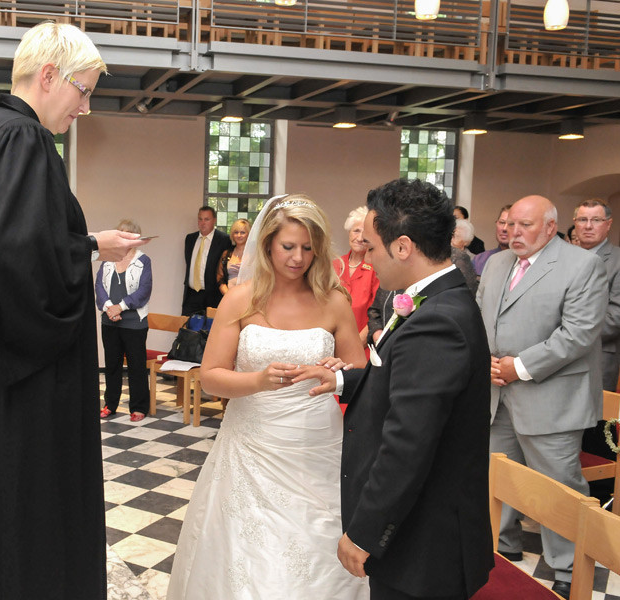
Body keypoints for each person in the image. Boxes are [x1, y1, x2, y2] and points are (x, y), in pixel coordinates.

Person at [0, 22, 145, 600]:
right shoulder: (23, 140)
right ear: (49, 75)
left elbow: (16, 243)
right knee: (30, 509)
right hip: (26, 384)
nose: (85, 106)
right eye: (83, 90)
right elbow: (20, 263)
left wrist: (85, 240)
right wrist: (85, 249)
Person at [168, 194, 368, 600]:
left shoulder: (333, 300)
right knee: (248, 551)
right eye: (288, 247)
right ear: (268, 244)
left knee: (318, 541)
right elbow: (210, 377)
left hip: (316, 444)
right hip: (252, 445)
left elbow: (360, 372)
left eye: (308, 248)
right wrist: (257, 381)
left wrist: (334, 375)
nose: (298, 258)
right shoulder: (241, 299)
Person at [314, 179, 494, 599]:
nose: (368, 256)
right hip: (421, 536)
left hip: (423, 544)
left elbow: (408, 442)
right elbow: (408, 385)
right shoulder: (432, 299)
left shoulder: (438, 320)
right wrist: (343, 379)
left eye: (373, 246)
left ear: (402, 247)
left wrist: (364, 533)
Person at [477, 194, 608, 599]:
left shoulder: (582, 264)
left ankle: (569, 565)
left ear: (550, 227)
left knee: (557, 485)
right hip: (497, 393)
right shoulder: (498, 262)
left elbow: (579, 332)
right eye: (511, 224)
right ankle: (501, 546)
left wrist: (520, 366)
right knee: (495, 476)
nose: (514, 233)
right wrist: (486, 362)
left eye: (525, 226)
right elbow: (480, 314)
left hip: (550, 395)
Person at [95, 218, 152, 422]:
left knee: (136, 366)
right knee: (112, 364)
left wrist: (121, 306)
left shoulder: (143, 261)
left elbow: (144, 291)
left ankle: (138, 407)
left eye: (125, 234)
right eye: (119, 233)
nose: (121, 237)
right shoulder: (107, 259)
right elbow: (99, 287)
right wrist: (109, 307)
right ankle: (110, 404)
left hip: (134, 323)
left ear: (134, 238)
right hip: (109, 320)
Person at [574, 198, 620, 392]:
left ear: (608, 224)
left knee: (595, 421)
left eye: (596, 220)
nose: (588, 226)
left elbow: (616, 316)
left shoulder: (617, 261)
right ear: (575, 223)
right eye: (582, 220)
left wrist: (571, 337)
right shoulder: (562, 259)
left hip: (598, 355)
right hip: (555, 358)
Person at [334, 206, 379, 350]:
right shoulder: (334, 265)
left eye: (365, 233)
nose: (360, 238)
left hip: (362, 349)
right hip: (332, 348)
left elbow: (377, 315)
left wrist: (353, 348)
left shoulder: (376, 268)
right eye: (356, 231)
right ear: (349, 232)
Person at [182, 206, 232, 315]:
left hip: (212, 296)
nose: (202, 223)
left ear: (214, 220)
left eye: (207, 219)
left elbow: (225, 269)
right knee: (187, 329)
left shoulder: (224, 240)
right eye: (200, 219)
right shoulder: (190, 239)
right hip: (191, 294)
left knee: (210, 330)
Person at [472, 205, 511, 276]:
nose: (504, 229)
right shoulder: (480, 260)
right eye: (502, 222)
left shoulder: (524, 264)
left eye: (511, 224)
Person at [217, 218, 250, 295]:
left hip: (250, 298)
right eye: (236, 232)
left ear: (249, 234)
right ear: (232, 234)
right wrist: (228, 296)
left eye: (242, 232)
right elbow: (220, 277)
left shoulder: (256, 255)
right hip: (229, 296)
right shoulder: (226, 254)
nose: (239, 235)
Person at [451, 219, 479, 295]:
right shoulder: (443, 255)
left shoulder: (473, 259)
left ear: (465, 242)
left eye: (454, 236)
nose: (450, 239)